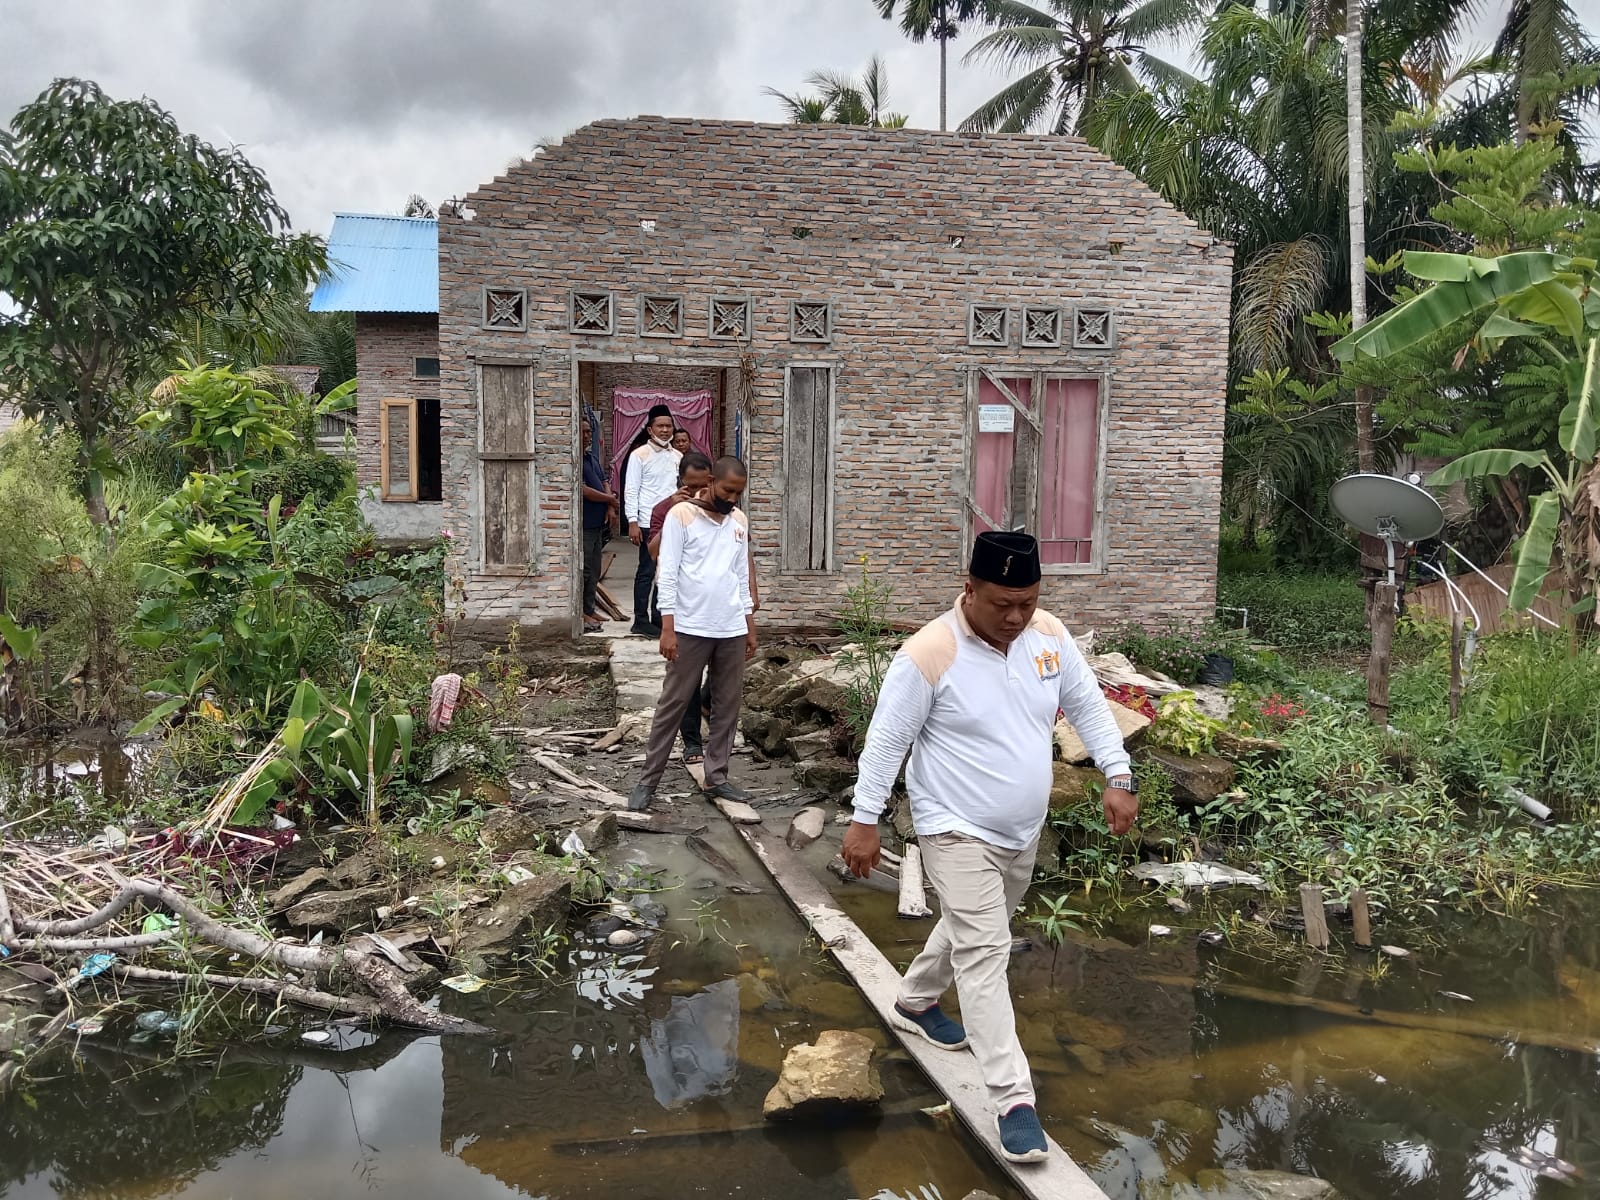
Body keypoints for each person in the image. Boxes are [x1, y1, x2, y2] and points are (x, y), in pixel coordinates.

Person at [842, 530, 1137, 1164]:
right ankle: (1012, 1100)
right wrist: (864, 820)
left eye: (1027, 602)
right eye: (1002, 603)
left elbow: (1087, 705)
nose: (1015, 617)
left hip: (1019, 831)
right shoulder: (929, 653)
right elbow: (887, 742)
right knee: (985, 953)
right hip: (953, 826)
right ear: (968, 589)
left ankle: (916, 999)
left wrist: (1117, 774)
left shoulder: (1049, 638)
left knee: (978, 927)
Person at [628, 456, 757, 811]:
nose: (733, 498)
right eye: (728, 490)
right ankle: (647, 782)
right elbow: (667, 573)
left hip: (730, 627)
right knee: (673, 704)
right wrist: (667, 628)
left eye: (739, 493)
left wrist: (748, 626)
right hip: (690, 627)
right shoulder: (681, 515)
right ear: (712, 480)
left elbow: (739, 576)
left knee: (726, 706)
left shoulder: (739, 521)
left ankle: (717, 777)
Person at [648, 451, 716, 763]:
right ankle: (692, 743)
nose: (698, 494)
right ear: (680, 484)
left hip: (715, 604)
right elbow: (652, 552)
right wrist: (675, 513)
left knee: (720, 671)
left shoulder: (724, 509)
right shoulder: (666, 508)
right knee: (684, 676)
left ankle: (707, 704)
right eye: (691, 488)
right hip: (680, 603)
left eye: (704, 486)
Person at [623, 404, 682, 637]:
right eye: (660, 426)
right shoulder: (639, 455)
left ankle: (658, 616)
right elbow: (631, 489)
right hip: (648, 522)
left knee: (666, 570)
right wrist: (633, 521)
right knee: (646, 571)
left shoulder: (677, 456)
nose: (666, 430)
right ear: (650, 429)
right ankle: (640, 619)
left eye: (669, 426)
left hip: (673, 521)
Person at [579, 416, 617, 633]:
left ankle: (590, 608)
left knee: (594, 569)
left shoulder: (591, 458)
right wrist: (609, 500)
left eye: (588, 432)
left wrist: (610, 506)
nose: (586, 435)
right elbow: (583, 490)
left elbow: (604, 483)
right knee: (583, 570)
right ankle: (581, 612)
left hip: (596, 524)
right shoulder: (574, 459)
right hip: (583, 524)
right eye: (583, 431)